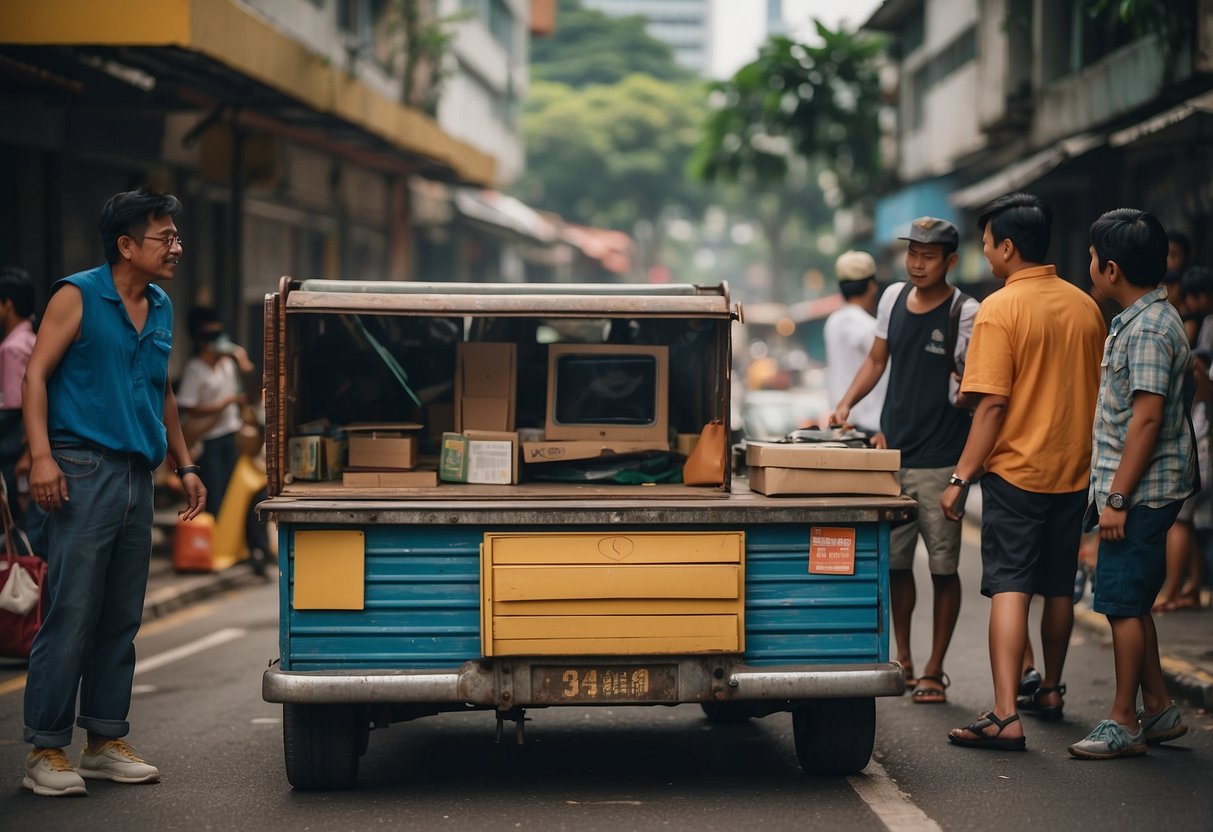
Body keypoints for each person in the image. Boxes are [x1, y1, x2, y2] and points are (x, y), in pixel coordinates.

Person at [20, 188, 206, 797]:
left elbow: (162, 391)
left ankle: (102, 740)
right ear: (126, 245)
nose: (176, 247)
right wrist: (42, 458)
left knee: (121, 617)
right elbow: (35, 376)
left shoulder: (160, 305)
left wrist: (184, 465)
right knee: (71, 611)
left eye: (175, 236)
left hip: (136, 475)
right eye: (165, 237)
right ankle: (46, 750)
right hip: (79, 469)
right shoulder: (77, 295)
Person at [943, 193, 1106, 751]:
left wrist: (961, 478)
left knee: (1010, 586)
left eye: (986, 244)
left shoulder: (1000, 309)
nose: (985, 255)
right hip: (1074, 471)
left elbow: (990, 405)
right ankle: (1053, 689)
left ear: (1007, 247)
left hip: (1015, 473)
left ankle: (1007, 714)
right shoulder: (1086, 306)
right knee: (1059, 585)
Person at [832, 217, 978, 704]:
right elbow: (876, 360)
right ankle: (906, 658)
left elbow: (974, 385)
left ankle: (935, 669)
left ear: (950, 261)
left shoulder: (965, 311)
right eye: (912, 253)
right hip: (893, 457)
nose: (917, 263)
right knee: (894, 565)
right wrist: (846, 403)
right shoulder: (892, 299)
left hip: (941, 460)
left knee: (942, 568)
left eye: (929, 255)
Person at [1068, 209, 1195, 760]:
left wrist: (1117, 498)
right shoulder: (1148, 319)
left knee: (1121, 604)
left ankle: (1124, 721)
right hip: (1145, 488)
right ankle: (1160, 707)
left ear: (1111, 268)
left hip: (1140, 493)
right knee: (1136, 600)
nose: (1089, 266)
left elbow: (1146, 419)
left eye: (1092, 258)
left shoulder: (1146, 328)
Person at [176, 306, 255, 518]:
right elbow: (187, 405)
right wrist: (222, 404)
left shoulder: (228, 364)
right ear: (202, 341)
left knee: (233, 493)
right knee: (215, 494)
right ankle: (213, 544)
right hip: (210, 439)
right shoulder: (195, 368)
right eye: (213, 336)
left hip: (232, 433)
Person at [824, 251, 887, 444]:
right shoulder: (870, 327)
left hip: (839, 425)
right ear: (871, 286)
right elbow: (879, 365)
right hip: (867, 431)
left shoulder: (832, 322)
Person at [0, 266, 37, 526]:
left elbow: (15, 409)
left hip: (15, 450)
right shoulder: (33, 340)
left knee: (15, 523)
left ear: (7, 305)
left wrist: (26, 453)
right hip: (33, 445)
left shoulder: (11, 348)